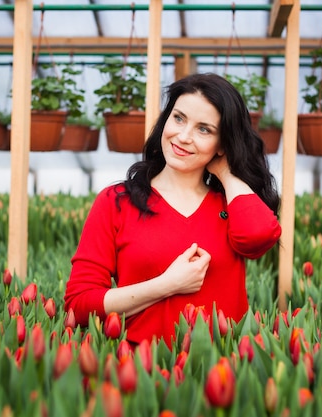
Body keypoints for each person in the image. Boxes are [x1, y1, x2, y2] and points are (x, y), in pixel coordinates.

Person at [64, 73, 282, 348]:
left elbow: (259, 236)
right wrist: (168, 284)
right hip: (140, 373)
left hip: (221, 376)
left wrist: (226, 174)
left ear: (222, 145)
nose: (183, 136)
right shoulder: (116, 202)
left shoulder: (230, 204)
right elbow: (79, 305)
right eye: (178, 118)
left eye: (204, 130)